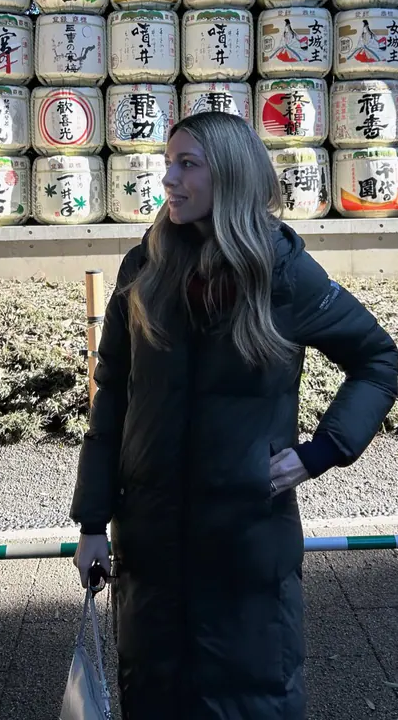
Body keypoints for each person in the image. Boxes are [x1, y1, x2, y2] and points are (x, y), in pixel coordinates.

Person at [70, 111, 398, 720]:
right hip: (150, 546)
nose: (168, 180)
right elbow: (110, 394)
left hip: (246, 546)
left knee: (248, 702)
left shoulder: (283, 273)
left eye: (187, 164)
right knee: (156, 698)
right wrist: (92, 522)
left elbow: (379, 361)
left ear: (231, 175)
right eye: (168, 163)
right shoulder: (143, 268)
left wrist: (319, 453)